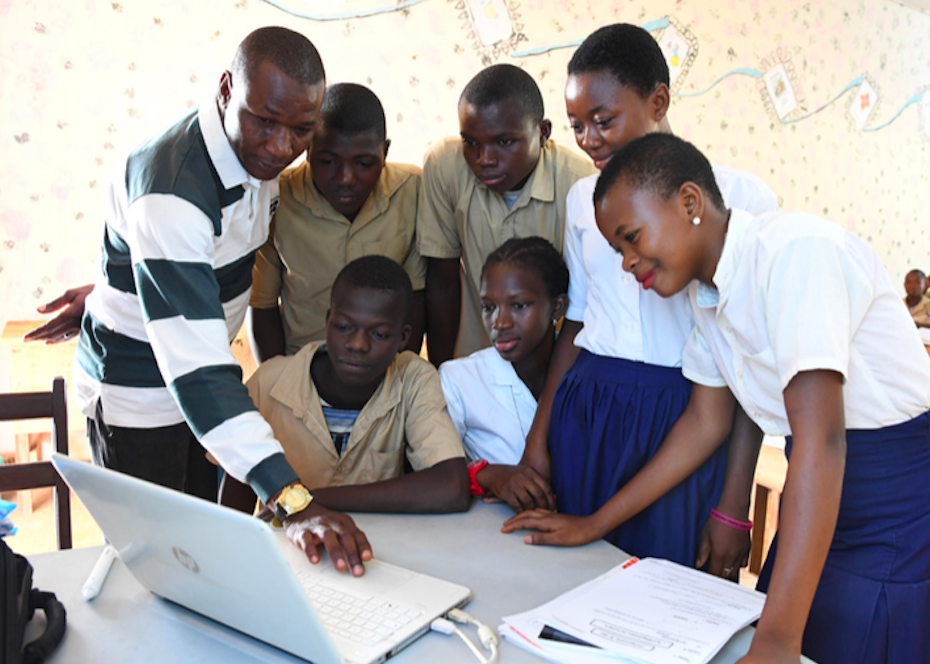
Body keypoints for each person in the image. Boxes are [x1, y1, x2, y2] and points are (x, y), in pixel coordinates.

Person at [587, 132, 930, 664]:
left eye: (631, 237)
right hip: (819, 516)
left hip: (901, 525)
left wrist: (779, 639)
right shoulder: (706, 297)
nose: (626, 261)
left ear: (689, 202)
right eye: (618, 249)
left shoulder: (794, 252)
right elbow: (703, 424)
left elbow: (822, 440)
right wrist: (595, 524)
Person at [68, 27, 374, 575]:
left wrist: (115, 286)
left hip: (197, 388)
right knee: (157, 569)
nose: (281, 148)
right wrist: (292, 499)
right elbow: (200, 370)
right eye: (265, 122)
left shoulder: (252, 157)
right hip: (140, 398)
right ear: (227, 89)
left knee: (198, 556)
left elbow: (200, 264)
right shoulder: (173, 190)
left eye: (301, 130)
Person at [502, 24, 778, 574]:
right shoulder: (586, 200)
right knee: (573, 575)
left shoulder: (739, 196)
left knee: (664, 586)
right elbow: (577, 326)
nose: (590, 139)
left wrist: (735, 504)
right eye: (578, 126)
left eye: (604, 120)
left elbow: (748, 361)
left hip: (685, 414)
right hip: (590, 411)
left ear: (658, 102)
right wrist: (540, 438)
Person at [240, 256, 469, 514]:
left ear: (403, 337)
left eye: (379, 334)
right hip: (280, 547)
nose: (358, 344)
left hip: (375, 549)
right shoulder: (269, 382)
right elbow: (234, 499)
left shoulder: (413, 380)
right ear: (328, 321)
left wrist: (308, 502)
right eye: (343, 326)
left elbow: (452, 487)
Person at [417, 64, 594, 366]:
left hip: (552, 367)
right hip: (473, 361)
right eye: (470, 143)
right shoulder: (445, 167)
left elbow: (584, 304)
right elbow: (443, 282)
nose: (484, 159)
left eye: (505, 142)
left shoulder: (580, 186)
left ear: (542, 133)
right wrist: (442, 374)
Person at [248, 83, 425, 363]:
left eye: (364, 164)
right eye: (327, 161)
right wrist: (277, 379)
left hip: (383, 371)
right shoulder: (276, 199)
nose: (345, 178)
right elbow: (262, 304)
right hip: (302, 370)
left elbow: (417, 298)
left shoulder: (413, 192)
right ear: (307, 150)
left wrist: (397, 377)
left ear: (385, 152)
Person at [439, 237, 568, 509]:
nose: (500, 322)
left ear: (557, 308)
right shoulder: (461, 379)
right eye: (489, 307)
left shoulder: (589, 380)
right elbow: (429, 470)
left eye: (519, 305)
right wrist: (487, 474)